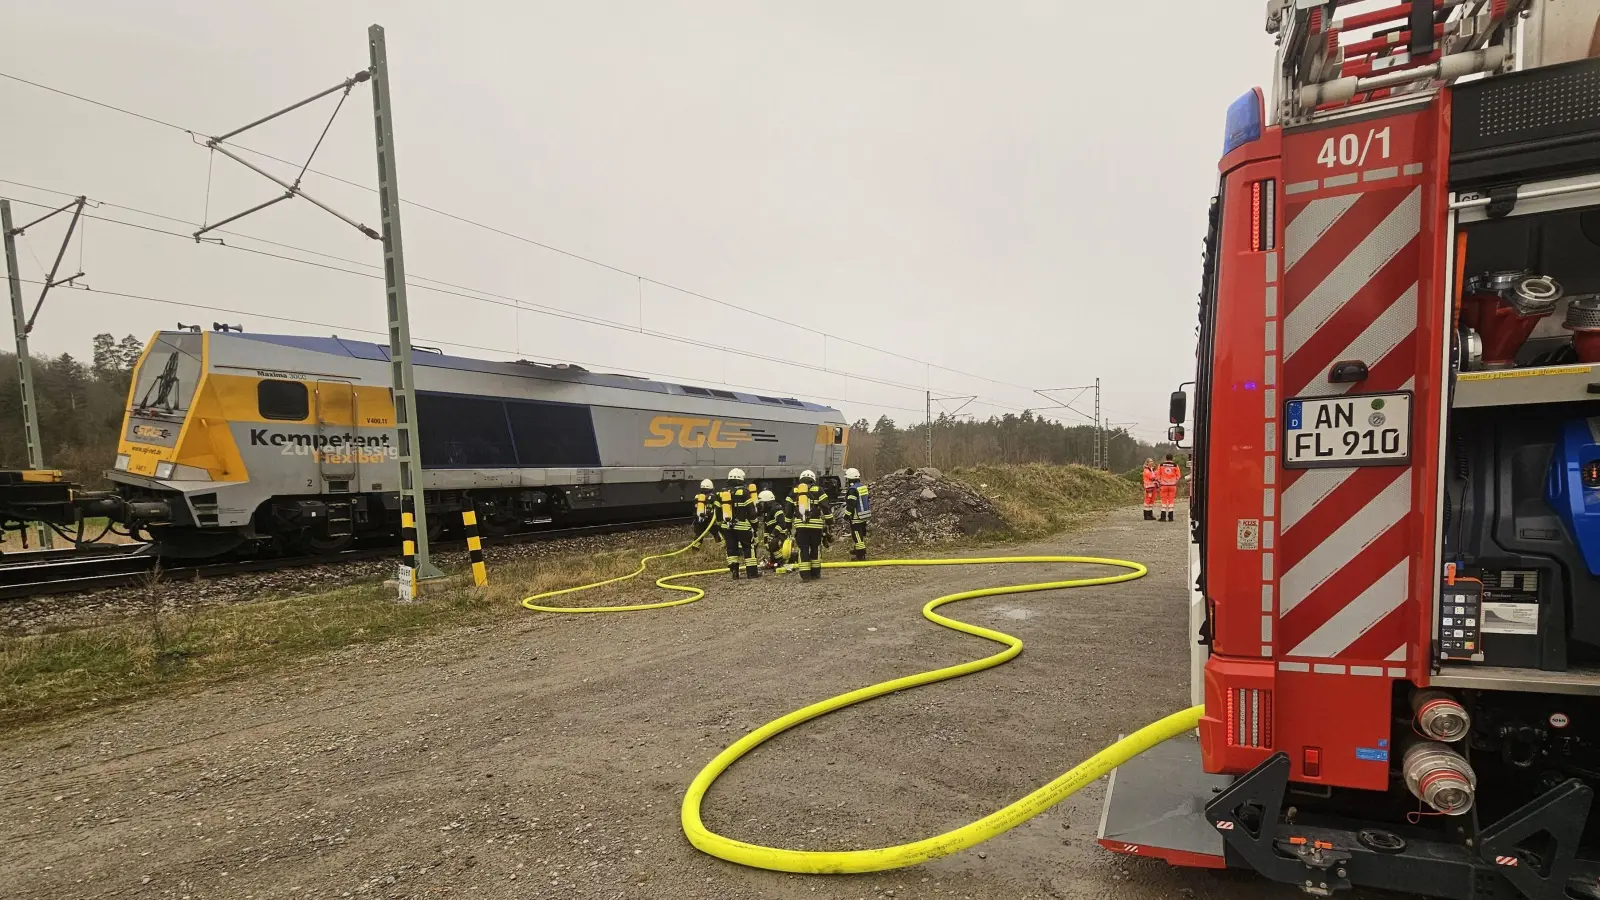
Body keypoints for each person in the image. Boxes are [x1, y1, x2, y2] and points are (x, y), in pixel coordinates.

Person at [787, 469, 831, 580]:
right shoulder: (819, 490)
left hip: (801, 526)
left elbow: (788, 509)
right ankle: (816, 574)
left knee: (803, 549)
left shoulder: (795, 491)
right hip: (816, 526)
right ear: (813, 479)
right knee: (815, 548)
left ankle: (805, 575)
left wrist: (787, 525)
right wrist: (829, 520)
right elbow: (825, 506)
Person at [720, 468, 761, 579]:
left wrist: (721, 526)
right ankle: (752, 573)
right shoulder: (744, 492)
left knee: (732, 549)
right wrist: (755, 525)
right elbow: (751, 512)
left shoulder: (722, 492)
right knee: (748, 548)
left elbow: (718, 512)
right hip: (742, 527)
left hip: (727, 527)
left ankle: (734, 572)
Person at [841, 467, 871, 561]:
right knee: (860, 534)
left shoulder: (852, 490)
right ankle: (858, 551)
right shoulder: (862, 486)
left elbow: (851, 505)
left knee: (857, 536)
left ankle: (860, 555)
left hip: (856, 516)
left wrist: (846, 515)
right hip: (864, 515)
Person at [758, 489, 790, 569]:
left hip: (781, 534)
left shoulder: (776, 508)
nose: (760, 505)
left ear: (767, 502)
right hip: (775, 535)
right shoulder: (767, 512)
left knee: (773, 543)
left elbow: (782, 523)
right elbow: (766, 528)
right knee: (770, 545)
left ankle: (781, 561)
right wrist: (765, 540)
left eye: (762, 503)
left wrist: (773, 535)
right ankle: (776, 561)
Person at [692, 479, 717, 548]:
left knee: (698, 537)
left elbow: (694, 508)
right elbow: (717, 507)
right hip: (710, 521)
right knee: (717, 535)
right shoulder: (713, 497)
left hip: (699, 521)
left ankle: (694, 551)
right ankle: (722, 549)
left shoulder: (697, 497)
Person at [1156, 455, 1182, 522]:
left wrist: (1160, 481)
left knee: (1163, 501)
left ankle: (1163, 517)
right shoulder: (1175, 465)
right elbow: (1178, 475)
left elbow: (1157, 474)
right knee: (1171, 501)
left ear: (1166, 458)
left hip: (1163, 485)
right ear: (1172, 458)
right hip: (1172, 485)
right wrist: (1175, 481)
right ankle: (1171, 517)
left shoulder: (1161, 465)